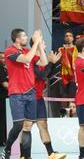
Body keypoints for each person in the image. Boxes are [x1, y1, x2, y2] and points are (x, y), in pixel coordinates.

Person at [1, 29, 48, 159]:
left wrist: (39, 46)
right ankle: (8, 148)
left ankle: (27, 156)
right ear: (17, 39)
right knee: (18, 124)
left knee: (28, 126)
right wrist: (36, 41)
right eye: (24, 36)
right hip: (17, 93)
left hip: (31, 93)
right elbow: (26, 59)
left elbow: (44, 62)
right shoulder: (10, 51)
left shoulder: (28, 51)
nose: (27, 38)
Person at [33, 43, 66, 159]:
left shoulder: (44, 60)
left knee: (43, 125)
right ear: (36, 44)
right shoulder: (32, 59)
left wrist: (55, 62)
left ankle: (51, 153)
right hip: (29, 99)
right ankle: (21, 154)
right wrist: (51, 63)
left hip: (39, 98)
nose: (45, 44)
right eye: (42, 42)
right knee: (25, 127)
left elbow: (48, 75)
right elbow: (41, 75)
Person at [58, 30, 78, 98]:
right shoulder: (61, 49)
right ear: (64, 38)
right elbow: (58, 60)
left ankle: (72, 108)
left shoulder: (76, 49)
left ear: (73, 38)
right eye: (66, 36)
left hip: (74, 75)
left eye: (70, 36)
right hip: (64, 75)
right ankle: (64, 109)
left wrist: (66, 49)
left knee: (72, 95)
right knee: (63, 96)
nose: (68, 37)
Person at [0, 52, 8, 146]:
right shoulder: (1, 68)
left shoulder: (5, 68)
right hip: (2, 98)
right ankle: (2, 140)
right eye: (1, 58)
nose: (3, 60)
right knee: (2, 119)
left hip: (5, 97)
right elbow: (4, 84)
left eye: (4, 58)